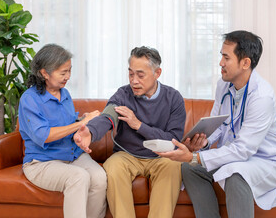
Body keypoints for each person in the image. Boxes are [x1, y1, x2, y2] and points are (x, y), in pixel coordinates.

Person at [156, 30, 276, 218]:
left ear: (245, 63)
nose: (220, 63)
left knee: (236, 175)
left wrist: (194, 157)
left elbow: (244, 150)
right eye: (221, 56)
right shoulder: (223, 85)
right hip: (236, 156)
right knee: (190, 169)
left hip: (264, 160)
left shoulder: (262, 97)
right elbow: (218, 124)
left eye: (226, 57)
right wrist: (202, 142)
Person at [75, 46, 197, 218]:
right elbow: (108, 115)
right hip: (127, 155)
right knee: (112, 166)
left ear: (157, 73)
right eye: (131, 74)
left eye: (140, 75)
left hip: (161, 156)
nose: (134, 81)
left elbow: (173, 140)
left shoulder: (173, 98)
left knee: (173, 166)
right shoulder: (123, 94)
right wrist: (91, 132)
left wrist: (138, 125)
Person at [18, 44, 107, 218]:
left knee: (99, 177)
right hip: (41, 162)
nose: (68, 76)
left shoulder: (64, 93)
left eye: (69, 70)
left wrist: (82, 121)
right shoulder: (30, 99)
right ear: (44, 73)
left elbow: (67, 124)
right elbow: (44, 135)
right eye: (63, 72)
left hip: (72, 156)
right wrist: (80, 123)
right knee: (79, 177)